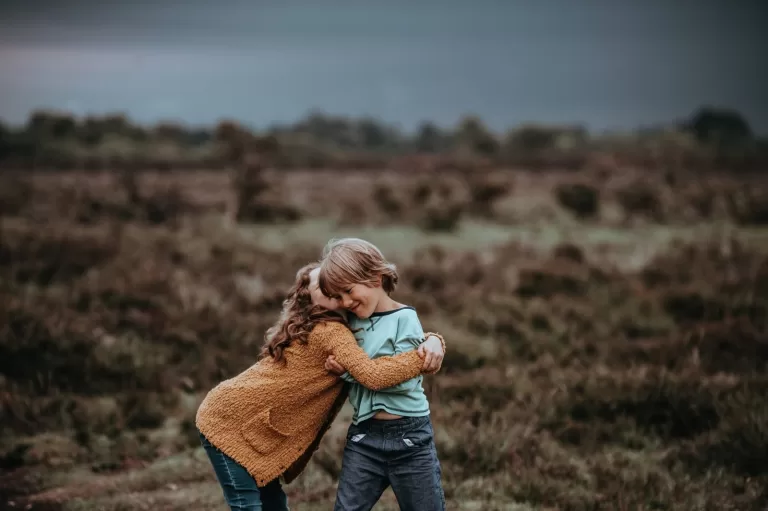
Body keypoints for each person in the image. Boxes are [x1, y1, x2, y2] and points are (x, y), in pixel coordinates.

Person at [195, 261, 446, 511]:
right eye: (322, 283)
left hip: (240, 418)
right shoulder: (331, 331)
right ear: (309, 297)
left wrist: (432, 339)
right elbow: (373, 373)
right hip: (226, 421)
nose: (330, 284)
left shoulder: (344, 323)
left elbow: (381, 337)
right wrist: (422, 357)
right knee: (247, 504)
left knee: (273, 503)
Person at [318, 238, 446, 511]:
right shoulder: (351, 324)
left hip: (411, 438)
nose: (346, 302)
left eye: (349, 291)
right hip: (364, 438)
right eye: (338, 296)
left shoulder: (405, 318)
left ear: (376, 278)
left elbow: (404, 378)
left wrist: (349, 372)